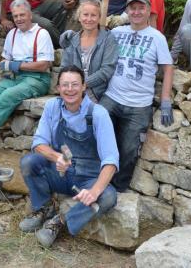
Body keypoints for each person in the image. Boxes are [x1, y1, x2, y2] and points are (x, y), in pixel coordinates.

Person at [19, 65, 119, 248]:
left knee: (108, 197)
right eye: (65, 85)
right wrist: (57, 157)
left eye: (75, 84)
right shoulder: (53, 107)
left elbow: (111, 161)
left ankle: (59, 221)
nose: (70, 89)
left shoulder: (98, 114)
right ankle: (43, 208)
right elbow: (39, 143)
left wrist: (94, 191)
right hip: (61, 174)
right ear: (58, 88)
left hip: (87, 179)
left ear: (83, 87)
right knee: (29, 162)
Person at [100, 0, 174, 191]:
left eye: (141, 8)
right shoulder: (116, 33)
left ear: (149, 10)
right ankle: (94, 179)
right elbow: (94, 40)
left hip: (139, 105)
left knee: (129, 149)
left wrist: (165, 101)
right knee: (95, 131)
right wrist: (71, 39)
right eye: (132, 8)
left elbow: (168, 67)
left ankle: (117, 189)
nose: (137, 12)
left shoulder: (157, 37)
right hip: (112, 98)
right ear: (127, 11)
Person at [0, 0, 54, 146]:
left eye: (22, 15)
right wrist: (6, 65)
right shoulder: (12, 34)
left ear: (30, 15)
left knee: (7, 96)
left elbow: (44, 65)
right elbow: (6, 60)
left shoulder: (41, 34)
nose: (18, 19)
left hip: (37, 79)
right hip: (14, 78)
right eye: (15, 16)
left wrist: (15, 65)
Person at [59, 0, 118, 102]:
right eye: (85, 15)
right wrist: (72, 86)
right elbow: (64, 67)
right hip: (72, 90)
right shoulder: (72, 39)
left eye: (93, 15)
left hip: (97, 93)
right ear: (79, 17)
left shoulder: (108, 39)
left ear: (99, 18)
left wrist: (82, 85)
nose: (89, 19)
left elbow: (107, 71)